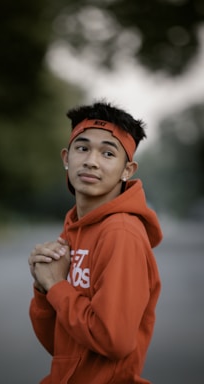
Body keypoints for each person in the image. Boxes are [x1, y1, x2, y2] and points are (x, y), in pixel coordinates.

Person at [28, 100, 162, 383]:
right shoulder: (74, 229)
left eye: (108, 153)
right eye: (82, 148)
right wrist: (44, 289)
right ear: (66, 157)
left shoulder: (120, 233)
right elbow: (61, 346)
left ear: (128, 170)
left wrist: (57, 285)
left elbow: (114, 340)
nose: (91, 160)